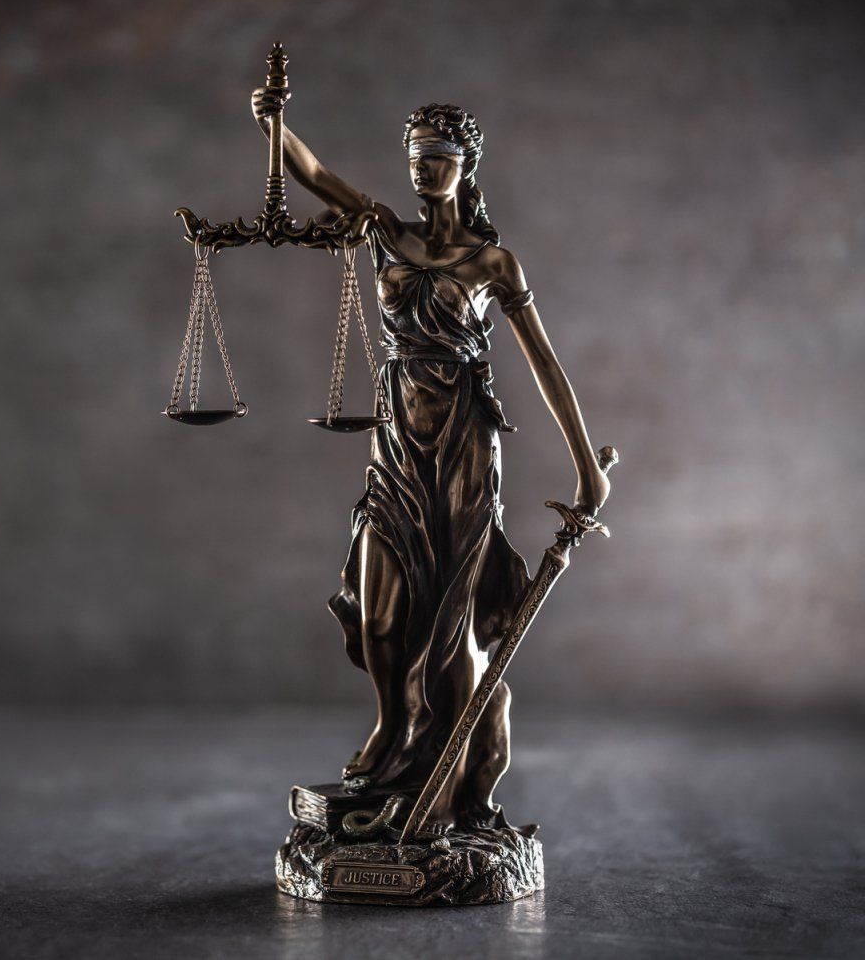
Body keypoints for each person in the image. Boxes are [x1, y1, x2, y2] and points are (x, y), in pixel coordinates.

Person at [250, 88, 611, 831]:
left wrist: (588, 467)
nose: (425, 172)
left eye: (440, 159)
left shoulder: (493, 262)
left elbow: (544, 363)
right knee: (380, 607)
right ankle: (394, 723)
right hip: (395, 442)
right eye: (416, 159)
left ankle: (449, 780)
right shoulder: (383, 231)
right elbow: (314, 173)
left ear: (466, 164)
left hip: (464, 447)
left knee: (454, 618)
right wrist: (273, 123)